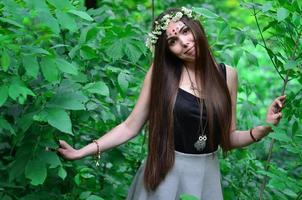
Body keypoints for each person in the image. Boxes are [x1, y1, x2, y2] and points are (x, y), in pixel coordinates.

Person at [58, 7, 286, 200]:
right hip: (165, 173)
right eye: (173, 41)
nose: (184, 42)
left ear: (196, 28)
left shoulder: (228, 75)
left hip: (207, 175)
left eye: (186, 31)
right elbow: (130, 127)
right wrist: (82, 152)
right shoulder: (160, 75)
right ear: (168, 50)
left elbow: (228, 137)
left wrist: (265, 127)